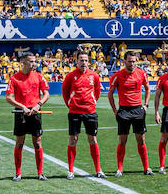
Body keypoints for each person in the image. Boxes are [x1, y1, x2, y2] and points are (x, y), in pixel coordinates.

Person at [61, 49, 104, 179]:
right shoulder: (70, 76)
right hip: (74, 111)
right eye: (81, 60)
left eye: (86, 60)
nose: (84, 62)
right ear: (76, 61)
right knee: (73, 139)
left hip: (90, 111)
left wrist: (91, 102)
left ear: (88, 62)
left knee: (92, 139)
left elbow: (97, 92)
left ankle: (98, 170)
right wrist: (70, 104)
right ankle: (70, 170)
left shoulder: (94, 76)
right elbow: (65, 92)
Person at [108, 49, 152, 176]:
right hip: (124, 111)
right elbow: (110, 94)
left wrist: (145, 105)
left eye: (134, 61)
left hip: (138, 110)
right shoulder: (117, 75)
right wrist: (115, 111)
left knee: (141, 140)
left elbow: (148, 89)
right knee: (122, 141)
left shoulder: (142, 74)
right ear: (124, 61)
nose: (132, 64)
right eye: (129, 61)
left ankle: (146, 168)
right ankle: (119, 169)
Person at [6, 52, 48, 181]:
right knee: (20, 142)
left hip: (35, 113)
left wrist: (38, 105)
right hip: (21, 113)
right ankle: (18, 173)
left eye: (34, 61)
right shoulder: (14, 78)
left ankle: (40, 173)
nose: (34, 64)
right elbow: (8, 98)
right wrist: (22, 107)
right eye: (31, 61)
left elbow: (46, 94)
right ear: (22, 63)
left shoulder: (39, 76)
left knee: (37, 142)